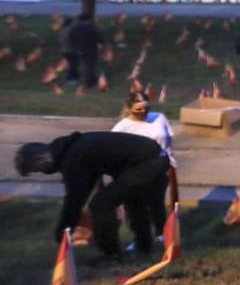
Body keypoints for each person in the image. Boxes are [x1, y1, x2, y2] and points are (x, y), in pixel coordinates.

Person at [15, 132, 169, 263]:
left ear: (40, 159)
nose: (41, 171)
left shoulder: (73, 158)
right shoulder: (73, 149)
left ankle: (111, 255)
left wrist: (62, 232)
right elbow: (84, 188)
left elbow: (75, 200)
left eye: (36, 169)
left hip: (148, 163)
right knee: (131, 199)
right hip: (153, 158)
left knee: (101, 205)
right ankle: (144, 247)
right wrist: (67, 228)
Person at [112, 89, 179, 208]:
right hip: (138, 172)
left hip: (161, 169)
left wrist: (171, 162)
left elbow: (168, 142)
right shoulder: (121, 127)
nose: (143, 111)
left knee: (157, 204)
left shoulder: (159, 117)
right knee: (138, 206)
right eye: (139, 109)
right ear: (130, 108)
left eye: (146, 108)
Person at [68, 12, 105, 90]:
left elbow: (71, 37)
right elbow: (99, 37)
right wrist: (102, 42)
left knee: (83, 65)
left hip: (78, 49)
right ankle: (90, 82)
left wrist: (74, 46)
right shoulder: (91, 27)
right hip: (91, 49)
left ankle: (78, 79)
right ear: (89, 19)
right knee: (91, 66)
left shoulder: (74, 28)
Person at [58, 16, 80, 85]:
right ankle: (71, 79)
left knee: (71, 64)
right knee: (73, 65)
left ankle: (75, 77)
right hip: (72, 50)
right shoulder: (71, 31)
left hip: (64, 50)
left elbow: (60, 40)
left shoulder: (63, 30)